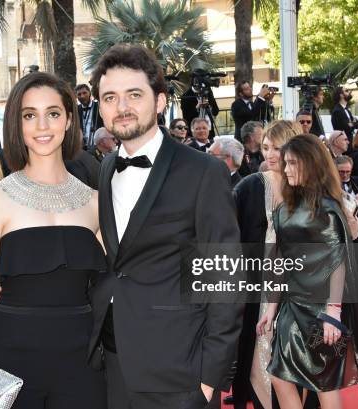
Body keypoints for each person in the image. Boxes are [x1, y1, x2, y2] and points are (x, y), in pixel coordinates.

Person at [89, 43, 243, 409]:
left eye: (134, 95)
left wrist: (209, 377)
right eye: (110, 97)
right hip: (113, 360)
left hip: (179, 367)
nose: (121, 107)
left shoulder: (204, 172)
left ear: (159, 101)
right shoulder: (107, 167)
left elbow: (226, 275)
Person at [0, 72, 107, 409]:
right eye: (29, 115)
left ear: (68, 120)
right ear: (17, 124)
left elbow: (116, 284)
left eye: (53, 113)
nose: (42, 125)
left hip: (82, 360)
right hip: (9, 355)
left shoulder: (95, 202)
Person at [257, 134, 358, 409]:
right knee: (279, 376)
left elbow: (338, 261)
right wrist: (271, 310)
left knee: (324, 382)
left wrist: (333, 313)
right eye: (285, 163)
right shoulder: (283, 210)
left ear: (311, 165)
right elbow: (280, 264)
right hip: (291, 307)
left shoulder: (328, 209)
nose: (285, 170)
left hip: (323, 309)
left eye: (292, 163)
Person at [232, 120, 305, 409]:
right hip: (258, 289)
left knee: (299, 363)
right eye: (265, 147)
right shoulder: (250, 186)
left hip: (301, 291)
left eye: (278, 147)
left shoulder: (307, 188)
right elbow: (228, 233)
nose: (270, 154)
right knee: (258, 357)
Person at [76, 83, 104, 148]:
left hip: (98, 145)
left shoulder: (99, 106)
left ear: (90, 93)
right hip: (83, 146)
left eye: (84, 93)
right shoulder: (76, 109)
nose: (82, 96)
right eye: (79, 94)